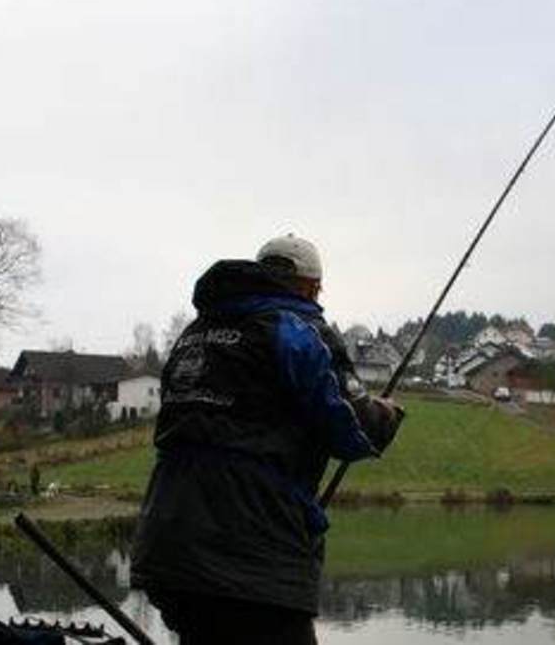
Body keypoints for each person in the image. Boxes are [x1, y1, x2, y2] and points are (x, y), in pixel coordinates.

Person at [131, 234, 402, 645]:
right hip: (252, 557)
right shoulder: (296, 329)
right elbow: (356, 432)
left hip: (167, 547)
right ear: (311, 286)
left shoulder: (194, 335)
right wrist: (387, 412)